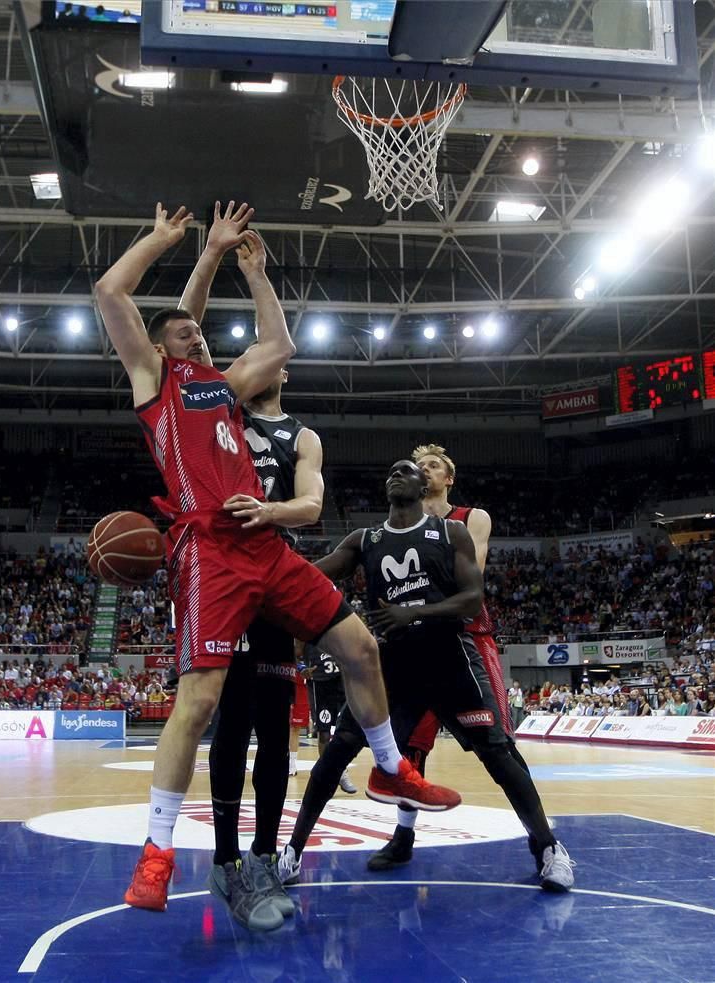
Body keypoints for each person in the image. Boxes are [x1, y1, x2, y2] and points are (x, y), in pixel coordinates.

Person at [95, 201, 460, 917]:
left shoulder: (221, 389)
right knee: (199, 704)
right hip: (209, 552)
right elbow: (112, 294)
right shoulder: (154, 382)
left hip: (266, 548)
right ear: (163, 347)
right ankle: (158, 850)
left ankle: (391, 770)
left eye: (198, 329)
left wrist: (256, 273)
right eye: (183, 330)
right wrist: (169, 243)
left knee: (360, 647)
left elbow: (281, 346)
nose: (195, 331)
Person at [277, 460, 574, 893]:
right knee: (339, 749)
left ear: (423, 486)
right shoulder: (366, 539)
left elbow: (473, 599)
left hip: (449, 658)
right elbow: (311, 575)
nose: (397, 472)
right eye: (391, 470)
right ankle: (292, 853)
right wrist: (269, 564)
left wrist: (414, 612)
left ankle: (548, 848)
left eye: (407, 470)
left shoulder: (451, 532)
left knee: (498, 754)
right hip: (392, 667)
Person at [176, 210, 328, 928]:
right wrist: (212, 261)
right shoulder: (221, 407)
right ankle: (228, 861)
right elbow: (184, 337)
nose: (270, 361)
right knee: (229, 727)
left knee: (275, 728)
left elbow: (312, 507)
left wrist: (260, 276)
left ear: (282, 372)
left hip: (276, 582)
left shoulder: (302, 433)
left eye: (276, 360)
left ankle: (266, 854)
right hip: (227, 580)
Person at [366, 442, 532, 872]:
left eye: (433, 465)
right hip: (418, 645)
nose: (424, 469)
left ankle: (544, 842)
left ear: (447, 479)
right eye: (418, 465)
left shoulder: (470, 519)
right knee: (410, 749)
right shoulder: (398, 528)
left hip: (468, 637)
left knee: (500, 746)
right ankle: (403, 837)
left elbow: (467, 580)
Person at [299, 639, 356, 794]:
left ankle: (339, 770)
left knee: (345, 728)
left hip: (341, 680)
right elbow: (295, 651)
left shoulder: (338, 621)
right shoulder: (306, 626)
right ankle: (330, 774)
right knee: (324, 733)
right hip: (320, 683)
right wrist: (301, 667)